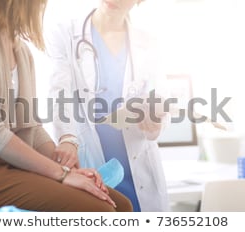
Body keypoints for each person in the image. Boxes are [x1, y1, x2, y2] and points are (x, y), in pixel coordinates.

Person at [0, 0, 132, 212]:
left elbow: (31, 126)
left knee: (122, 206)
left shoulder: (20, 50)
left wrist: (66, 167)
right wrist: (62, 174)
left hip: (3, 167)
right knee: (102, 211)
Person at [45, 0, 170, 211]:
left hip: (138, 168)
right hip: (92, 163)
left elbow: (160, 98)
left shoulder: (148, 43)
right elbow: (58, 93)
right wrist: (67, 138)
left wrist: (155, 123)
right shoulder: (65, 35)